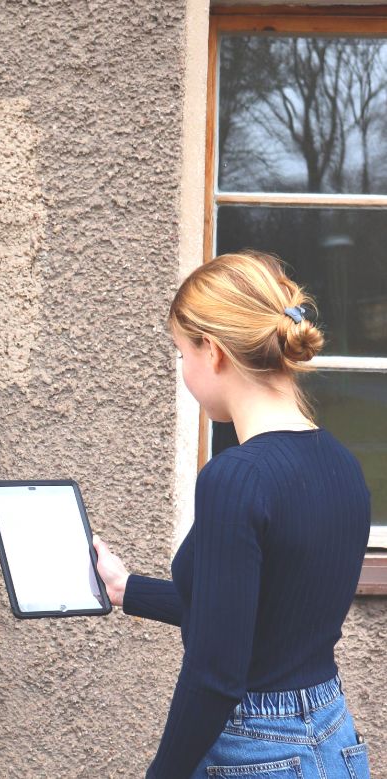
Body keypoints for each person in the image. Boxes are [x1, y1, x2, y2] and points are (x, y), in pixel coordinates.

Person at [93, 251, 371, 778]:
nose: (182, 370)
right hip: (334, 742)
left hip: (259, 754)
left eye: (181, 353)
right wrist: (126, 588)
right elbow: (258, 614)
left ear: (213, 352)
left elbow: (215, 673)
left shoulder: (236, 477)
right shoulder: (342, 464)